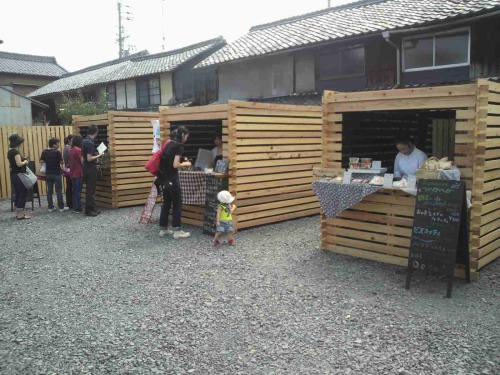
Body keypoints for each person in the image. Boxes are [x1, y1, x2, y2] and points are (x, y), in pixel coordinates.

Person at [158, 126, 191, 239]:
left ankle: (163, 229)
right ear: (182, 135)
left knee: (166, 203)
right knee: (177, 204)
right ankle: (177, 231)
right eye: (186, 137)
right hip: (173, 178)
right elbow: (175, 165)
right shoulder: (179, 146)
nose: (186, 139)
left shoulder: (167, 143)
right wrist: (186, 164)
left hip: (164, 179)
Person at [40, 137, 69, 212]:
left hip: (48, 174)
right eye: (57, 143)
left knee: (49, 191)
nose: (59, 145)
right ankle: (61, 207)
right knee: (58, 191)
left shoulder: (44, 152)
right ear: (54, 144)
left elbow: (41, 160)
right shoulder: (57, 152)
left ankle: (50, 207)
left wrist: (47, 161)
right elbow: (62, 162)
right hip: (56, 173)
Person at [81, 125, 104, 217]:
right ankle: (88, 210)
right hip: (90, 168)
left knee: (89, 189)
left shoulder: (84, 141)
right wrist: (100, 155)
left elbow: (85, 156)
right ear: (96, 132)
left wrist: (96, 153)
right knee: (91, 190)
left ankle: (93, 207)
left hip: (85, 167)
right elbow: (89, 158)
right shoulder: (90, 143)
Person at [7, 134, 31, 220]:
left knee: (18, 193)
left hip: (14, 175)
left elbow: (11, 165)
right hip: (19, 175)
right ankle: (20, 214)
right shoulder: (15, 152)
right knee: (22, 193)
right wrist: (25, 161)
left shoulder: (9, 152)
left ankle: (19, 212)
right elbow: (19, 164)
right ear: (17, 142)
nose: (21, 143)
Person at [69, 135, 84, 214]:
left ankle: (75, 207)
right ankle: (78, 208)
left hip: (73, 173)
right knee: (78, 191)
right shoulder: (79, 150)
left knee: (74, 191)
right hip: (78, 172)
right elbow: (82, 162)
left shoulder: (71, 149)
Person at [63, 135, 73, 209]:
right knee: (70, 186)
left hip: (68, 169)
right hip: (70, 169)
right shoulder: (69, 148)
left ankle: (69, 202)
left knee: (69, 186)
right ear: (70, 140)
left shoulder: (66, 148)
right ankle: (70, 203)